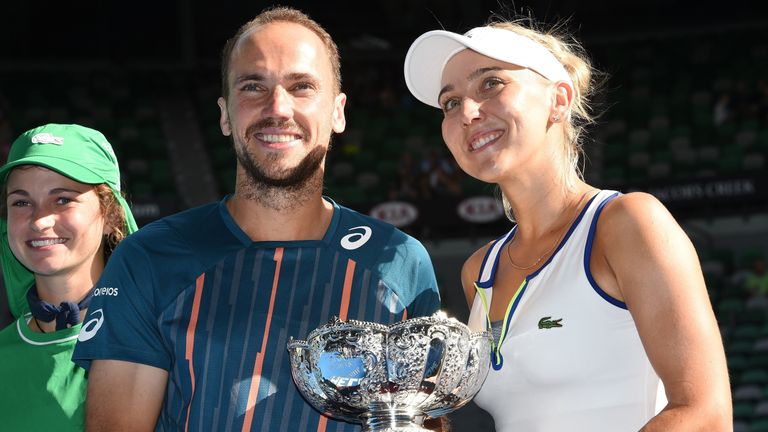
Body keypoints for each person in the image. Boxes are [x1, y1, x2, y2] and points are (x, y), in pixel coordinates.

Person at [72, 6, 440, 432]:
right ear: (226, 114)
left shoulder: (399, 262)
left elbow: (424, 419)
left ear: (338, 112)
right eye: (253, 86)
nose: (277, 107)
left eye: (302, 86)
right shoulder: (150, 257)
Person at [403, 18, 731, 431]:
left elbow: (704, 415)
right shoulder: (478, 271)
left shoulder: (627, 222)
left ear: (559, 100)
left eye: (491, 84)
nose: (468, 112)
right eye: (450, 102)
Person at [0, 123, 138, 431]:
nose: (40, 221)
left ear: (110, 214)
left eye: (62, 199)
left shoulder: (161, 338)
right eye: (21, 202)